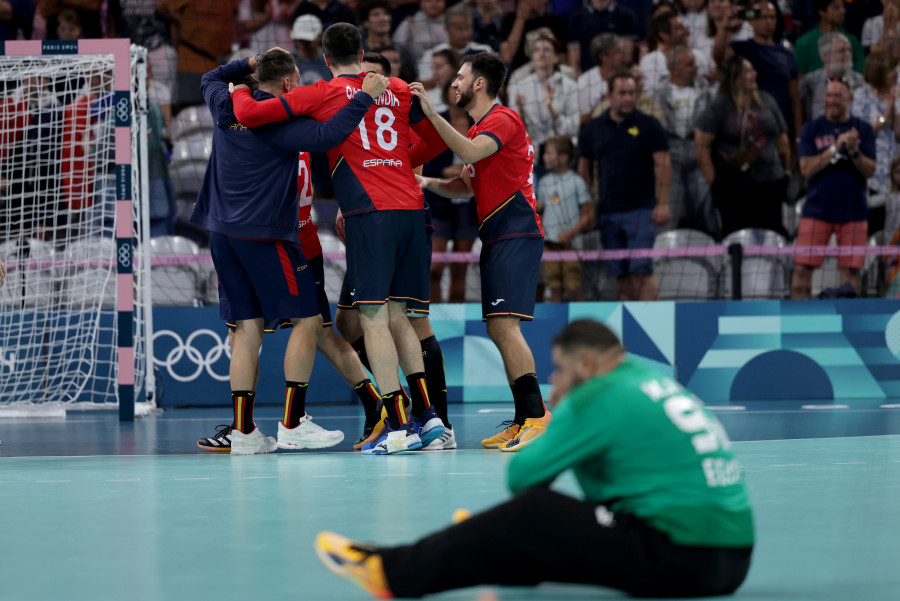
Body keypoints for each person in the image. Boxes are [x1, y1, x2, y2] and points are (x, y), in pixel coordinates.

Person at [314, 319, 755, 600]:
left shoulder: (599, 393)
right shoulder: (649, 377)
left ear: (586, 363)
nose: (555, 380)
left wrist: (564, 410)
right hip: (727, 556)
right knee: (534, 526)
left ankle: (391, 571)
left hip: (687, 557)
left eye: (561, 369)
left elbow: (524, 476)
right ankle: (483, 543)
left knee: (533, 512)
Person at [231, 25, 448, 455]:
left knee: (373, 321)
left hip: (372, 213)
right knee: (401, 316)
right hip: (412, 209)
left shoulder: (322, 92)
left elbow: (251, 115)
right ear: (363, 51)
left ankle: (398, 427)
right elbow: (438, 140)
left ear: (327, 59)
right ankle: (429, 418)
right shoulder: (399, 87)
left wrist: (237, 87)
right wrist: (397, 161)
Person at [189, 50, 387, 454]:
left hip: (221, 233)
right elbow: (329, 136)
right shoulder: (281, 121)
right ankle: (293, 422)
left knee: (246, 331)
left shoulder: (224, 104)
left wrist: (247, 63)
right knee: (309, 322)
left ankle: (244, 433)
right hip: (265, 235)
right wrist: (363, 98)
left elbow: (210, 75)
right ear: (288, 85)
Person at [411, 52, 552, 451]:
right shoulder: (479, 132)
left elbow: (470, 156)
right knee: (497, 327)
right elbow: (465, 185)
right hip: (495, 237)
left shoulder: (502, 119)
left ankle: (537, 415)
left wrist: (431, 114)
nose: (453, 83)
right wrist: (426, 183)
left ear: (478, 83)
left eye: (460, 76)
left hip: (518, 233)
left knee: (505, 327)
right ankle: (524, 417)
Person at [579, 70, 671, 302]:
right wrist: (588, 206)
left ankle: (654, 327)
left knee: (641, 271)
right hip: (608, 211)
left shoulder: (649, 124)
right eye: (622, 93)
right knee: (619, 276)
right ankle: (629, 332)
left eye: (632, 93)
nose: (628, 98)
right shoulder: (593, 128)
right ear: (609, 94)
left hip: (641, 210)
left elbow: (664, 164)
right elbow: (583, 167)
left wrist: (663, 203)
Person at [792, 78, 876, 299]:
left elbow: (870, 171)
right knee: (801, 269)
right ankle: (797, 323)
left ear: (848, 99)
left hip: (854, 212)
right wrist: (834, 149)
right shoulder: (812, 128)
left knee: (850, 273)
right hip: (816, 209)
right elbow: (806, 169)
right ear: (823, 98)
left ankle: (848, 325)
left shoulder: (863, 129)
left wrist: (854, 151)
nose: (833, 101)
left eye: (838, 96)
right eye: (829, 96)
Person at [695, 56, 791, 238]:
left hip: (770, 184)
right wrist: (714, 184)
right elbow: (701, 146)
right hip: (734, 188)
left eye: (753, 70)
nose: (754, 74)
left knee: (772, 235)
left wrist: (786, 172)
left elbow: (782, 138)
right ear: (735, 77)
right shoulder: (720, 105)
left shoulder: (767, 100)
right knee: (736, 237)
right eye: (748, 71)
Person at [652, 46, 718, 235]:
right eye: (689, 64)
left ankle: (714, 247)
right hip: (669, 157)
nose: (695, 68)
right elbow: (640, 127)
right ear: (673, 68)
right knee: (668, 211)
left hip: (698, 153)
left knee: (706, 208)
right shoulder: (657, 93)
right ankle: (664, 255)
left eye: (694, 63)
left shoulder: (705, 90)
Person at [714, 0, 802, 141]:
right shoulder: (742, 48)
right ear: (751, 21)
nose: (768, 22)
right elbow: (719, 58)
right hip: (751, 123)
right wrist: (724, 28)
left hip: (782, 125)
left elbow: (795, 99)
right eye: (763, 17)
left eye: (772, 17)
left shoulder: (786, 54)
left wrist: (798, 137)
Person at [536, 135, 592, 302]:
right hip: (550, 245)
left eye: (549, 153)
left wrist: (571, 233)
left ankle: (585, 326)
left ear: (563, 157)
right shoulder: (544, 182)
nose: (544, 157)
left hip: (571, 245)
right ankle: (556, 328)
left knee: (573, 289)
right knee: (554, 290)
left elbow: (589, 214)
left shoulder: (576, 182)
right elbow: (543, 211)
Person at [508, 32, 579, 163]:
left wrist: (553, 111)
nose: (542, 54)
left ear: (556, 57)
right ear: (532, 57)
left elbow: (573, 128)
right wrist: (521, 112)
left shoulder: (570, 87)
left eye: (547, 49)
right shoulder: (518, 88)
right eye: (537, 50)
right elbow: (513, 132)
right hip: (531, 154)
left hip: (564, 154)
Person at [157, 0, 241, 108]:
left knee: (222, 115)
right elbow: (162, 7)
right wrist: (178, 20)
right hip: (192, 64)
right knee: (189, 116)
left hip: (222, 67)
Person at [851, 51, 900, 232]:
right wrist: (885, 115)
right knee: (874, 226)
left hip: (895, 172)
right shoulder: (861, 96)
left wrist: (894, 110)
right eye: (891, 70)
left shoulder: (897, 94)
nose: (896, 73)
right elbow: (862, 133)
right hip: (871, 172)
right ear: (879, 71)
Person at [416, 4, 493, 85]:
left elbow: (498, 88)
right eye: (459, 29)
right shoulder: (433, 54)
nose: (465, 34)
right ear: (447, 28)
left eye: (468, 27)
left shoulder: (484, 52)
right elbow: (423, 86)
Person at [639, 11, 711, 93]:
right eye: (679, 28)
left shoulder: (698, 56)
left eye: (685, 27)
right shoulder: (649, 61)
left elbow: (705, 86)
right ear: (664, 35)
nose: (687, 32)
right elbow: (649, 94)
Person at [799, 32, 863, 122]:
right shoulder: (810, 81)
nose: (848, 54)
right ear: (825, 56)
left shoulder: (859, 80)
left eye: (849, 50)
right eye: (842, 51)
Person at [793, 0, 865, 76]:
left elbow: (860, 73)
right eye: (836, 7)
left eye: (843, 7)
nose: (843, 11)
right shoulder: (804, 43)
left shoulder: (853, 41)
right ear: (822, 12)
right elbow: (799, 78)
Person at [567, 0, 638, 74]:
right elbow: (574, 61)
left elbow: (626, 57)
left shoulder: (626, 16)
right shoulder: (576, 18)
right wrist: (580, 79)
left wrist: (618, 78)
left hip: (616, 76)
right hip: (586, 76)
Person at [577, 33, 630, 127]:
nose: (623, 55)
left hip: (627, 129)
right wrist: (603, 106)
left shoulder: (629, 77)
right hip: (597, 133)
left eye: (622, 51)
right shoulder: (585, 81)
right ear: (603, 56)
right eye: (617, 52)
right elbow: (580, 121)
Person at [290, 14, 331, 84]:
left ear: (319, 36)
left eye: (307, 41)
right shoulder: (287, 63)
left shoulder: (331, 62)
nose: (303, 45)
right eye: (300, 40)